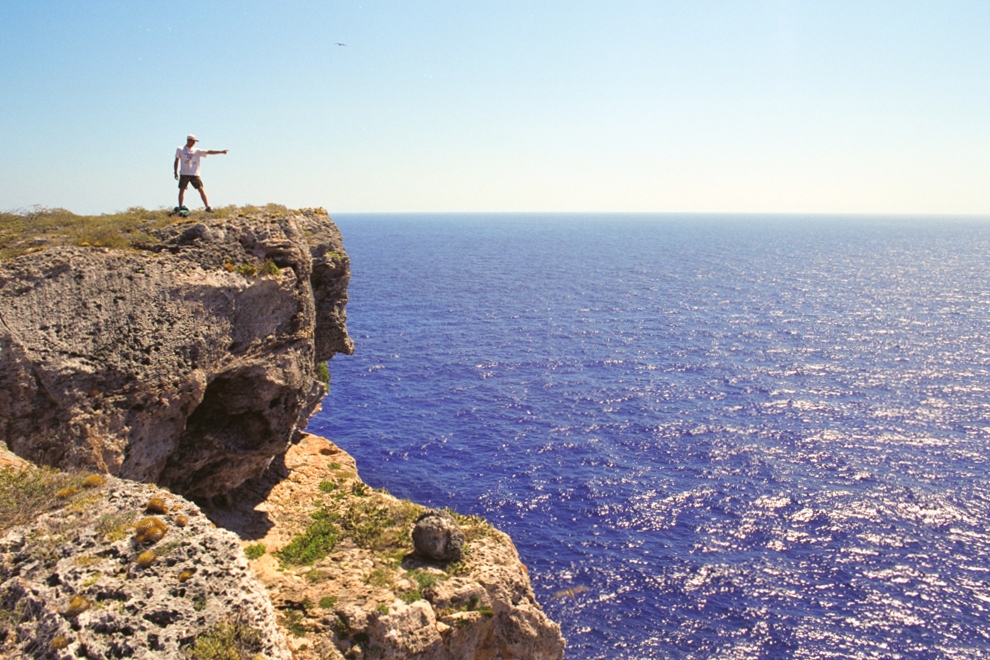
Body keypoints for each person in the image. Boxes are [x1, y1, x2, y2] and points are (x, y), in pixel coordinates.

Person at [173, 134, 228, 212]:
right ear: (189, 141)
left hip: (195, 174)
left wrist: (221, 152)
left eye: (195, 141)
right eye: (193, 141)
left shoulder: (197, 151)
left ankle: (207, 207)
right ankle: (181, 207)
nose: (194, 143)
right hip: (184, 173)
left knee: (201, 189)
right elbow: (176, 160)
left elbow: (208, 152)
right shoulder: (180, 149)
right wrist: (175, 172)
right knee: (182, 190)